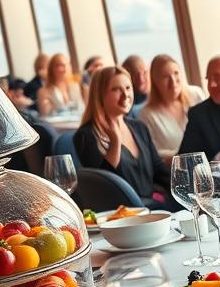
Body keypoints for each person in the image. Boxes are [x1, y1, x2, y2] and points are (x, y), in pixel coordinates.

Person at [73, 66, 170, 208]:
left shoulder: (139, 127)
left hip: (150, 207)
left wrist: (188, 189)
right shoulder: (86, 135)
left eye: (128, 88)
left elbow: (159, 171)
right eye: (116, 89)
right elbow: (104, 186)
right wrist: (115, 142)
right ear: (100, 95)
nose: (125, 95)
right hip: (120, 214)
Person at [138, 54, 206, 164]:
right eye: (165, 77)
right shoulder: (146, 115)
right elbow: (152, 154)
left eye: (176, 73)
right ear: (155, 81)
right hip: (176, 173)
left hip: (208, 162)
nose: (173, 81)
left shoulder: (196, 95)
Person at [36, 53, 84, 118]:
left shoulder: (75, 87)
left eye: (65, 65)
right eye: (58, 65)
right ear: (51, 69)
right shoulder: (43, 92)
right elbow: (45, 115)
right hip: (57, 126)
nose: (62, 69)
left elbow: (82, 108)